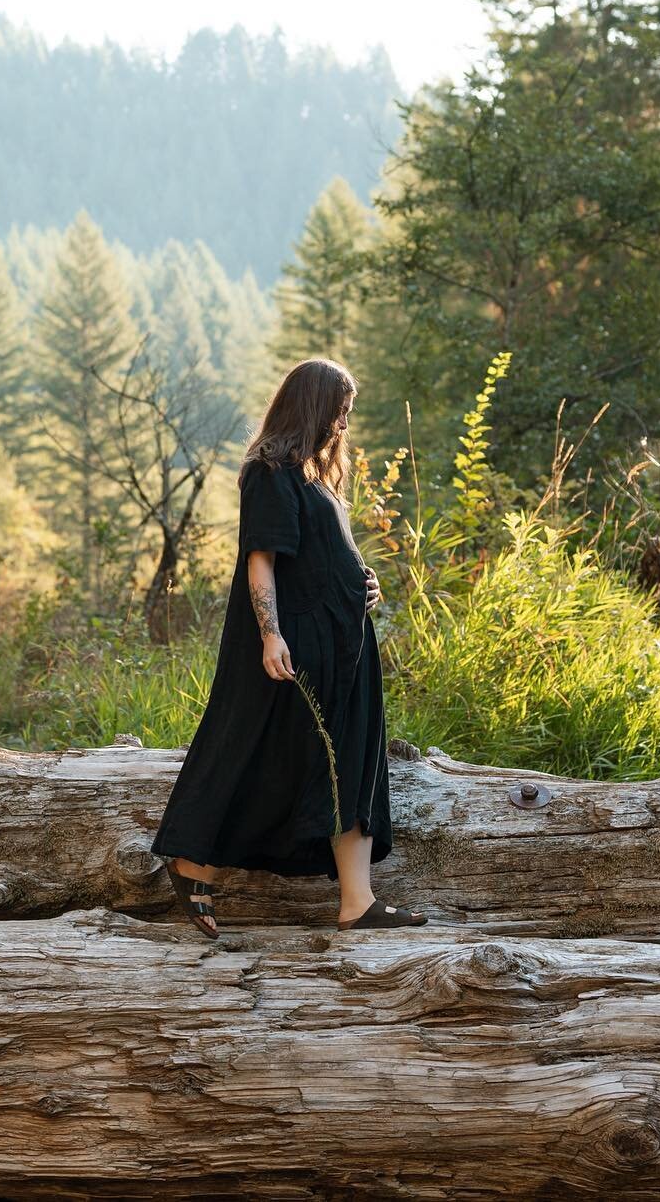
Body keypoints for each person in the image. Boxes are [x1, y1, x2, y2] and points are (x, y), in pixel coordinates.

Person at [149, 356, 428, 935]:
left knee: (351, 763)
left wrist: (360, 583)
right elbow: (261, 560)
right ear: (312, 407)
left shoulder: (312, 477)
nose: (342, 426)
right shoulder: (270, 470)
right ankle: (192, 863)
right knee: (275, 756)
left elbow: (320, 559)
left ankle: (358, 902)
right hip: (301, 648)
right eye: (338, 412)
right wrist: (271, 634)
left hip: (344, 647)